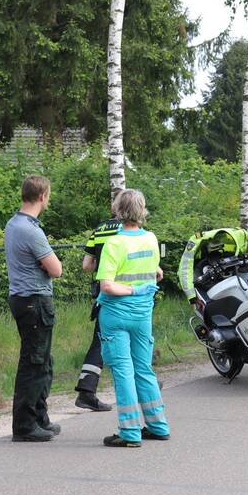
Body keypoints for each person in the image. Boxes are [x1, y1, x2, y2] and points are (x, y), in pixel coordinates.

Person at [96, 189, 169, 447]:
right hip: (142, 315)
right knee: (143, 369)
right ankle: (158, 425)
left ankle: (129, 432)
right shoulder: (150, 238)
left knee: (123, 372)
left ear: (118, 211)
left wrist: (131, 289)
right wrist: (143, 285)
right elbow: (156, 272)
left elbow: (107, 286)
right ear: (142, 210)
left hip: (116, 314)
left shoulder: (114, 244)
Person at [4, 175, 63, 442]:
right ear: (43, 196)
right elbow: (57, 269)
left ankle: (40, 417)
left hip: (22, 298)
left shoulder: (13, 224)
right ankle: (25, 425)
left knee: (42, 361)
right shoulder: (31, 230)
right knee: (34, 362)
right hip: (34, 301)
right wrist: (45, 265)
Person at [73, 218, 121, 412]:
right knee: (134, 336)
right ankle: (144, 384)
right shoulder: (130, 228)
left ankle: (86, 388)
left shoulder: (99, 230)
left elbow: (86, 265)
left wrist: (102, 268)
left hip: (103, 293)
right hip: (125, 291)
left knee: (101, 339)